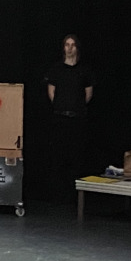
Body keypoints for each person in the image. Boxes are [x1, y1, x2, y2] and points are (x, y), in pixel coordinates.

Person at [44, 34, 95, 200]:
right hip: (59, 118)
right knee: (58, 156)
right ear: (63, 48)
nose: (70, 48)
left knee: (76, 156)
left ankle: (75, 195)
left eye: (73, 45)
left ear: (77, 48)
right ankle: (57, 194)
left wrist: (75, 107)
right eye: (67, 44)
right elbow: (51, 93)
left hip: (78, 119)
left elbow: (88, 95)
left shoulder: (84, 70)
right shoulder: (56, 69)